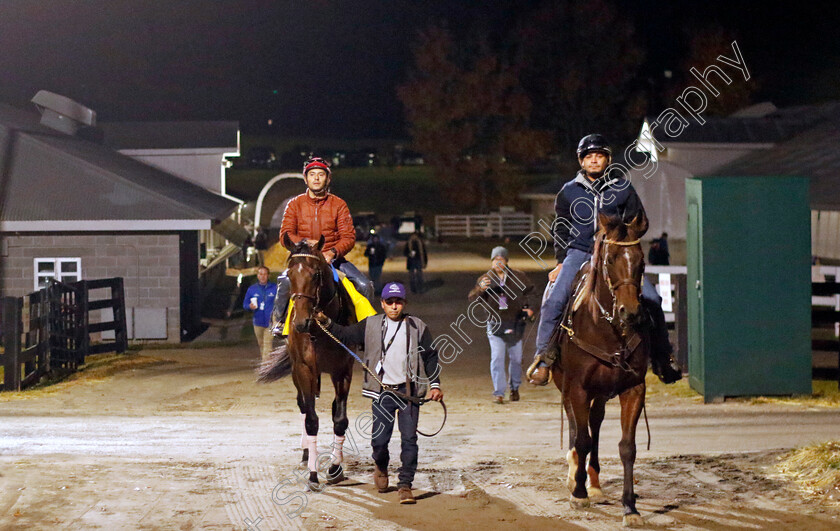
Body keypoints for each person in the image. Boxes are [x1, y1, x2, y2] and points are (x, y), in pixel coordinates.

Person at [528, 134, 682, 386]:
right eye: (589, 157)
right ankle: (543, 359)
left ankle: (663, 357)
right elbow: (560, 231)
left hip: (614, 253)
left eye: (599, 156)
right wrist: (560, 262)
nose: (594, 161)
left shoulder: (622, 188)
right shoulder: (568, 192)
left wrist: (625, 247)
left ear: (607, 159)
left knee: (653, 299)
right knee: (554, 300)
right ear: (581, 161)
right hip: (579, 253)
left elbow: (637, 222)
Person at [316, 282, 442, 505]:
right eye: (390, 302)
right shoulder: (371, 325)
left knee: (410, 440)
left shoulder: (417, 326)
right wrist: (326, 321)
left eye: (399, 302)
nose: (395, 306)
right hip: (382, 393)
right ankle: (381, 466)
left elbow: (431, 355)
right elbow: (345, 335)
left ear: (404, 303)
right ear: (382, 304)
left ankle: (405, 485)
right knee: (379, 441)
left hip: (408, 392)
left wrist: (435, 385)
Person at [272, 156, 374, 332]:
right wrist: (304, 243)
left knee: (365, 286)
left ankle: (364, 331)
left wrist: (332, 252)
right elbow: (285, 234)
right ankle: (279, 323)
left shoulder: (339, 204)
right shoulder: (294, 205)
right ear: (306, 179)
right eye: (312, 174)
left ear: (328, 178)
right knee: (284, 282)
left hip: (332, 259)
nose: (316, 178)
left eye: (320, 174)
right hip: (303, 258)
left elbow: (348, 237)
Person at [468, 247, 535, 404]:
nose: (498, 262)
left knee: (516, 359)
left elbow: (532, 292)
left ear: (506, 261)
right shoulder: (485, 279)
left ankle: (514, 388)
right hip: (495, 324)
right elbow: (472, 299)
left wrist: (530, 309)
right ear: (491, 262)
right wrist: (480, 289)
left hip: (515, 323)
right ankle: (499, 392)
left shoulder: (519, 276)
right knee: (497, 358)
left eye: (501, 259)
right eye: (495, 260)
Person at [243, 266, 277, 360]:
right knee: (261, 344)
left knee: (267, 344)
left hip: (270, 321)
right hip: (257, 322)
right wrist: (250, 306)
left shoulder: (274, 288)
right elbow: (245, 304)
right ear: (258, 276)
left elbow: (280, 303)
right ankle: (268, 362)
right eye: (260, 274)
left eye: (265, 274)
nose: (263, 276)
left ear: (268, 275)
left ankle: (265, 366)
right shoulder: (252, 289)